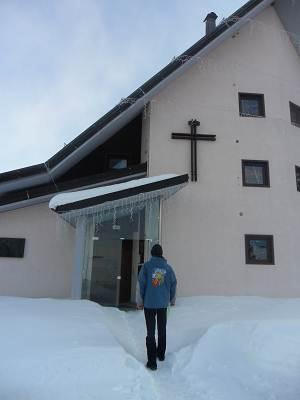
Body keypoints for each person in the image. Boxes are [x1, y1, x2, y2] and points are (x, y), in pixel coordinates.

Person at [137, 244, 177, 371]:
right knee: (162, 329)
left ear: (152, 254)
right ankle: (161, 354)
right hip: (162, 305)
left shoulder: (146, 267)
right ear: (161, 254)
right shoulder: (168, 268)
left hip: (149, 304)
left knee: (150, 332)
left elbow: (141, 284)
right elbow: (173, 284)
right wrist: (172, 299)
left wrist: (140, 301)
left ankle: (152, 362)